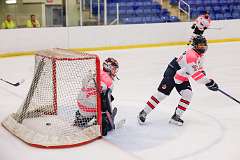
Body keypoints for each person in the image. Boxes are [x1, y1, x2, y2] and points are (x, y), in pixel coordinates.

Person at [137, 35, 218, 126]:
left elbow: (199, 67)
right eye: (200, 45)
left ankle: (176, 117)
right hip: (172, 71)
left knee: (188, 94)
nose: (202, 47)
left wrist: (204, 77)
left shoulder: (199, 54)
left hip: (182, 74)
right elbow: (197, 77)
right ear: (195, 46)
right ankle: (143, 112)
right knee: (161, 94)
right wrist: (209, 82)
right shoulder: (191, 56)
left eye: (204, 45)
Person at [74, 57, 119, 136]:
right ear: (109, 68)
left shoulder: (95, 72)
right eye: (114, 69)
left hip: (80, 105)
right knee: (104, 104)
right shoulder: (109, 82)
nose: (115, 71)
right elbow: (106, 101)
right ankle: (101, 124)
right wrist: (109, 115)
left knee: (93, 98)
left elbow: (84, 83)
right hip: (91, 108)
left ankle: (80, 118)